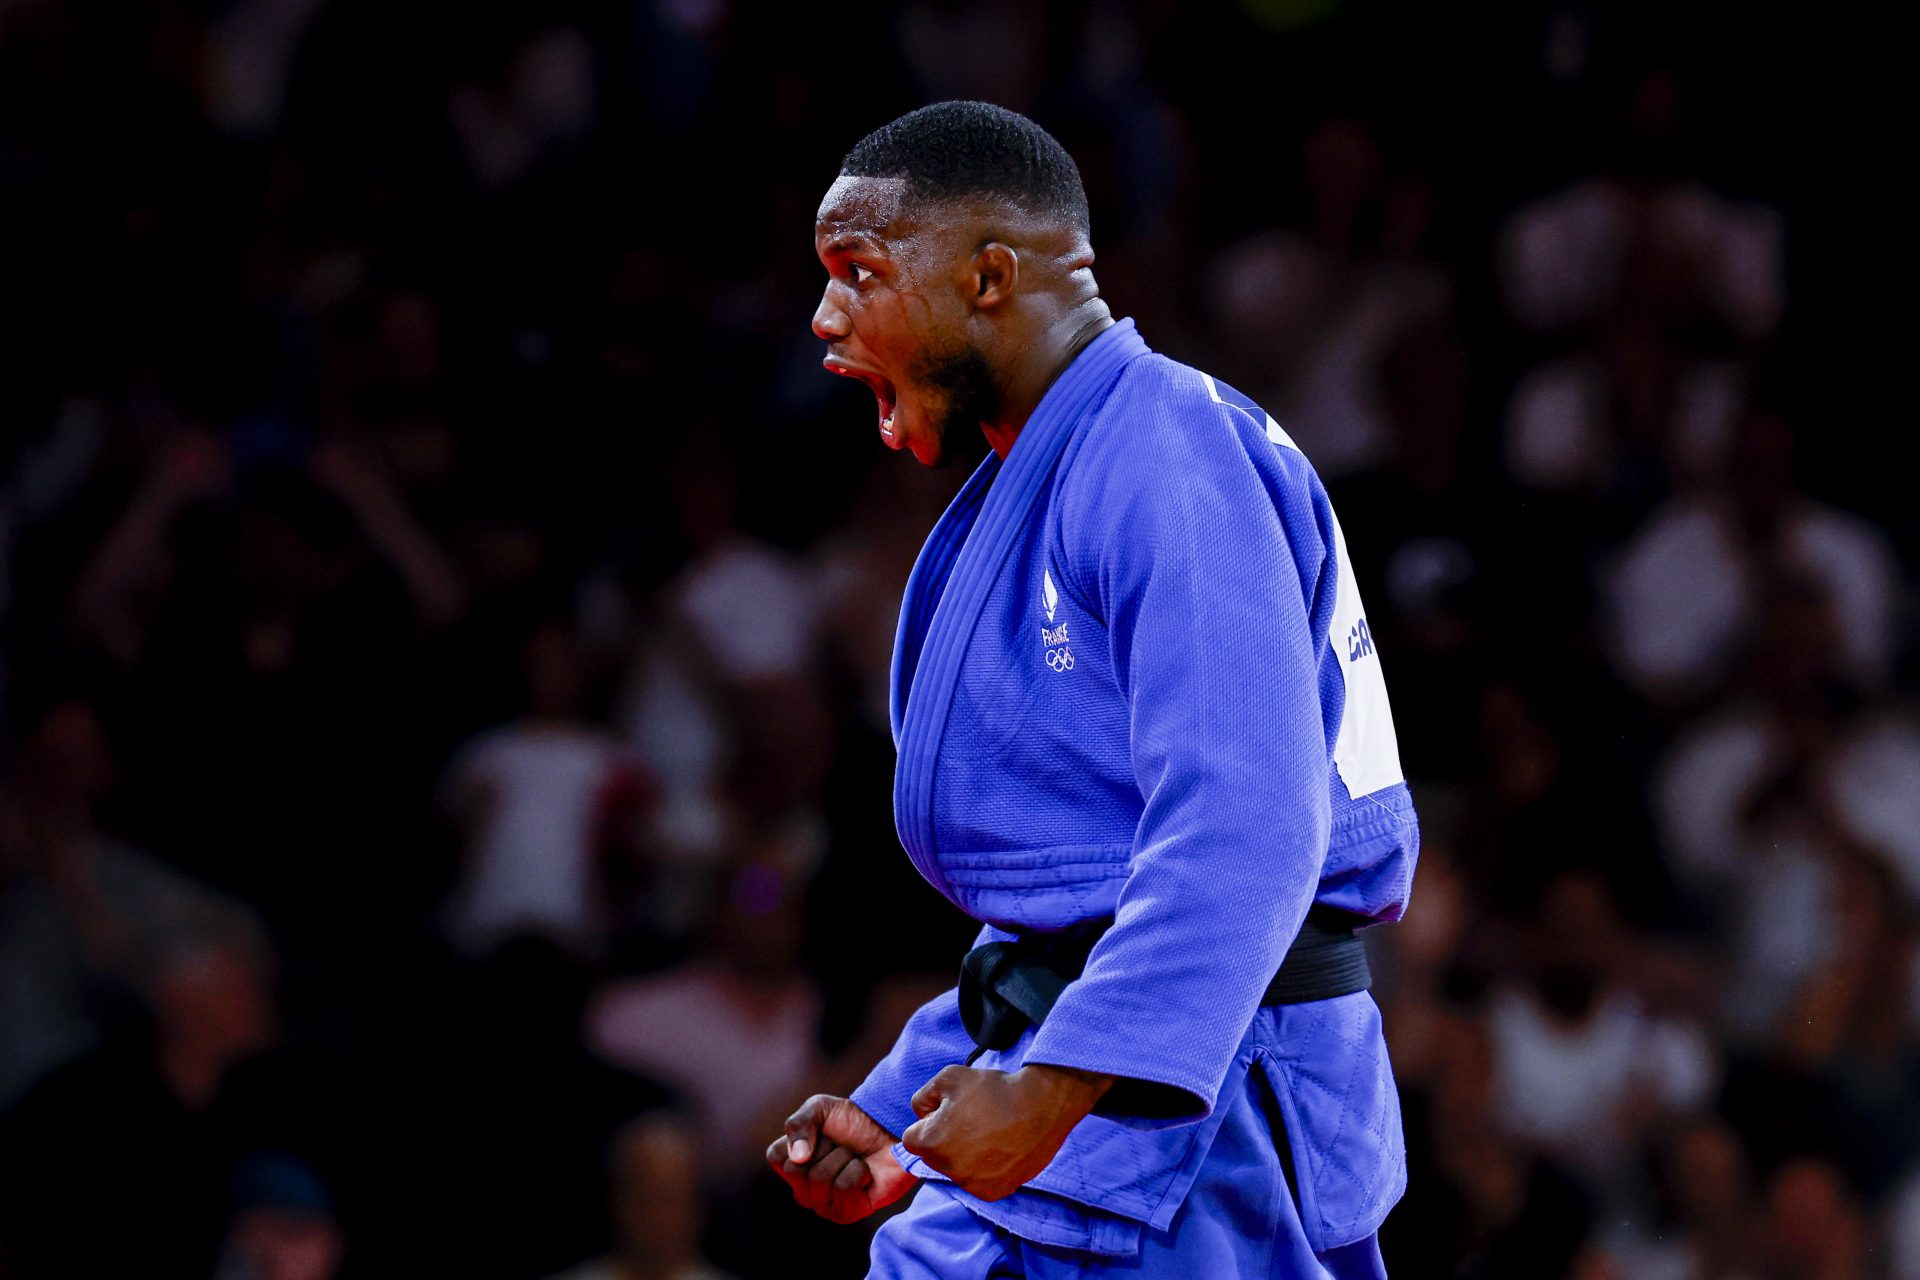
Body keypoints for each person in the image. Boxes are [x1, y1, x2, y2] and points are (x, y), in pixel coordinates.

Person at [765, 101, 1420, 1278]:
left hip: (1197, 1117)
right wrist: (911, 1106)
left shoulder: (1166, 454)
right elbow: (1070, 897)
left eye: (858, 273)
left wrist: (1055, 1087)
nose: (825, 318)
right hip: (1117, 1098)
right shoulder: (1072, 465)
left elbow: (1249, 830)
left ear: (989, 278)